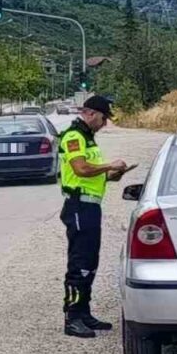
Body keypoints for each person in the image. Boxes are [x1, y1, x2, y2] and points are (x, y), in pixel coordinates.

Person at [57, 95, 128, 338]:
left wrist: (113, 175)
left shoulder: (88, 138)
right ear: (90, 113)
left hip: (90, 206)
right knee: (79, 263)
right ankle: (72, 317)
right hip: (79, 205)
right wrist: (109, 165)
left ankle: (84, 312)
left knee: (90, 262)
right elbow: (81, 169)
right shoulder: (74, 136)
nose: (105, 123)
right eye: (103, 118)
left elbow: (92, 173)